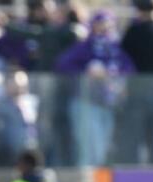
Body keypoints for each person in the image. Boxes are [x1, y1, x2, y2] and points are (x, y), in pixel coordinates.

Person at [54, 10, 134, 167]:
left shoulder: (114, 48)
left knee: (102, 148)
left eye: (108, 25)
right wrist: (87, 71)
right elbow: (61, 65)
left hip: (108, 104)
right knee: (89, 149)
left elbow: (130, 69)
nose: (104, 29)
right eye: (100, 25)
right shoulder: (85, 47)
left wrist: (115, 77)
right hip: (86, 103)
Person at [116, 0, 153, 165]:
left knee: (134, 135)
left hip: (135, 92)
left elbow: (122, 58)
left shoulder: (133, 31)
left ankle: (132, 169)